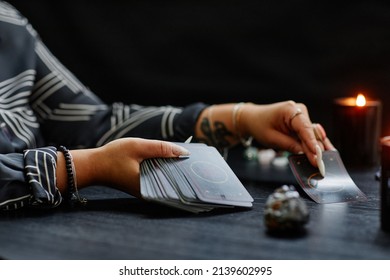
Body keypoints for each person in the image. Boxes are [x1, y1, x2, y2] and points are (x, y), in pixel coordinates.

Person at [0, 1, 334, 211]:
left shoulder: (8, 23)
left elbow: (91, 122)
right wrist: (90, 167)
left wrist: (237, 118)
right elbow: (96, 147)